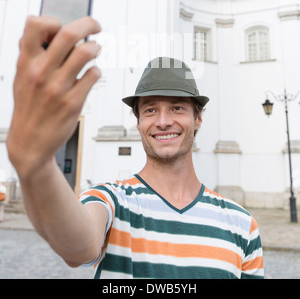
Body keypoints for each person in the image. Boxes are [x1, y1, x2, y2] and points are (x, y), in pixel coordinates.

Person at [6, 16, 264, 279]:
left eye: (177, 107)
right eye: (151, 109)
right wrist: (37, 166)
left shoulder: (241, 223)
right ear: (139, 122)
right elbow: (77, 247)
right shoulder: (111, 200)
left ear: (197, 118)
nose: (163, 122)